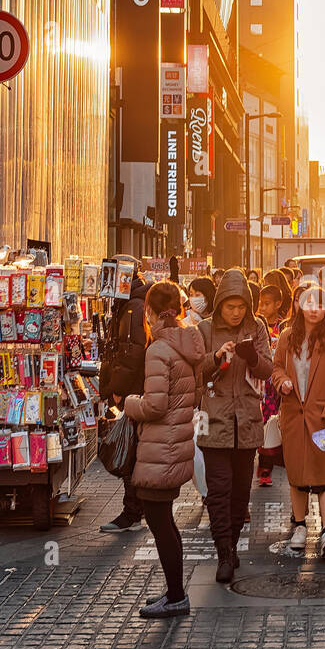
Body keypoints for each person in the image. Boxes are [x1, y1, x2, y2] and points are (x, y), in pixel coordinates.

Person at [123, 282, 206, 619]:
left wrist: (129, 404)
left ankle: (175, 595)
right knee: (164, 520)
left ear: (150, 313)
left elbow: (155, 405)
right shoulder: (189, 341)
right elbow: (194, 394)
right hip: (176, 443)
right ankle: (174, 592)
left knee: (160, 521)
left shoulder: (158, 349)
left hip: (160, 448)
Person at [197, 269, 273, 584]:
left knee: (241, 492)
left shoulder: (257, 327)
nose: (236, 312)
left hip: (247, 421)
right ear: (219, 304)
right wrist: (216, 359)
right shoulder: (203, 328)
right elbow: (196, 371)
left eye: (241, 306)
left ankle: (232, 541)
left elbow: (268, 368)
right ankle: (224, 551)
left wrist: (252, 357)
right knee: (219, 491)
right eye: (230, 306)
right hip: (212, 421)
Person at [272, 285, 325, 558]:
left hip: (324, 418)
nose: (314, 309)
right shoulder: (286, 337)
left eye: (320, 304)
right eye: (309, 303)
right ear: (299, 306)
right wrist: (282, 382)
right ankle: (300, 525)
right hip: (294, 415)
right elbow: (277, 368)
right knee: (297, 474)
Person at [99, 259, 149, 533]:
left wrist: (117, 388)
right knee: (132, 450)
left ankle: (133, 512)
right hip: (133, 388)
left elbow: (131, 352)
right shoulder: (130, 304)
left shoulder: (132, 306)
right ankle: (134, 510)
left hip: (131, 391)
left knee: (130, 451)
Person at [256, 284, 285, 486]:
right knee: (263, 422)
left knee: (275, 423)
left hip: (279, 382)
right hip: (261, 383)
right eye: (260, 303)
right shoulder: (256, 325)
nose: (263, 307)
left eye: (267, 304)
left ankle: (272, 460)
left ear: (278, 304)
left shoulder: (284, 327)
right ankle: (264, 464)